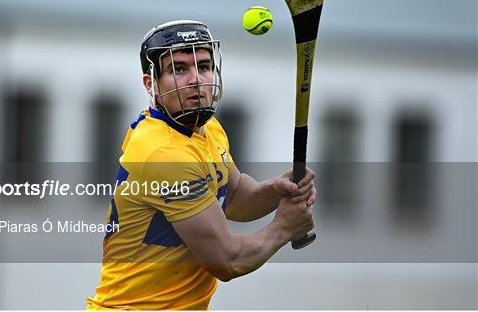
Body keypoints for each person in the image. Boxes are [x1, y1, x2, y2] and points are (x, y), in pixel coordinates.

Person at [86, 20, 317, 310]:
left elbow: (233, 199)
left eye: (204, 66)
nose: (196, 79)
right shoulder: (164, 153)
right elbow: (226, 260)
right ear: (151, 83)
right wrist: (283, 228)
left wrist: (278, 190)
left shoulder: (208, 129)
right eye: (179, 69)